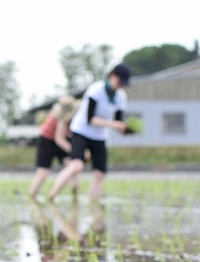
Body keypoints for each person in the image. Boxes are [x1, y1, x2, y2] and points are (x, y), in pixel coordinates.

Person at [48, 63, 132, 202]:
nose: (120, 85)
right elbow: (90, 119)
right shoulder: (96, 90)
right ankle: (52, 196)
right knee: (77, 165)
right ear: (112, 76)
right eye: (119, 81)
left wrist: (123, 129)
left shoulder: (121, 97)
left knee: (100, 173)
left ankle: (93, 203)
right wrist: (112, 124)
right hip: (82, 131)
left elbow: (118, 120)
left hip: (100, 136)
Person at [28, 95, 79, 199]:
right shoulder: (61, 117)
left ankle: (75, 194)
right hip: (47, 141)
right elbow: (59, 139)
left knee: (73, 166)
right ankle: (32, 195)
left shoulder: (73, 113)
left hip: (63, 140)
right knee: (43, 172)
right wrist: (75, 151)